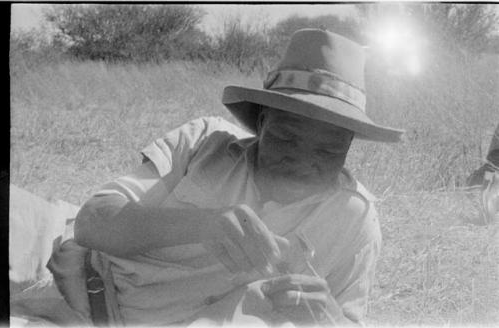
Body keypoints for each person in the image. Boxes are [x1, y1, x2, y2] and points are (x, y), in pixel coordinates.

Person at [52, 29, 404, 326]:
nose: (303, 162)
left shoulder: (355, 218)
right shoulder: (204, 142)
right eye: (287, 138)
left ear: (349, 147)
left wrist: (326, 316)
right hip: (73, 300)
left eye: (328, 151)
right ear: (262, 121)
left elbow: (348, 320)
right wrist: (203, 225)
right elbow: (92, 222)